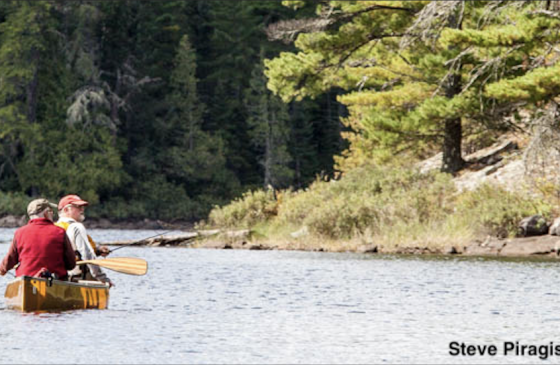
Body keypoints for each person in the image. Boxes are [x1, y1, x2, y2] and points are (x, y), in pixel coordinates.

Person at [0, 199, 76, 279]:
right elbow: (71, 264)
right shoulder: (60, 232)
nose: (52, 214)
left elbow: (10, 259)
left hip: (26, 282)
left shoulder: (19, 233)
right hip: (54, 282)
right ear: (46, 214)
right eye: (51, 211)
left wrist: (2, 269)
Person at [55, 194, 113, 286]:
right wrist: (103, 278)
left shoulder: (53, 228)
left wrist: (97, 250)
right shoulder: (77, 227)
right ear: (66, 210)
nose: (82, 210)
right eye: (78, 207)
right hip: (79, 278)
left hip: (60, 277)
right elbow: (87, 255)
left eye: (82, 207)